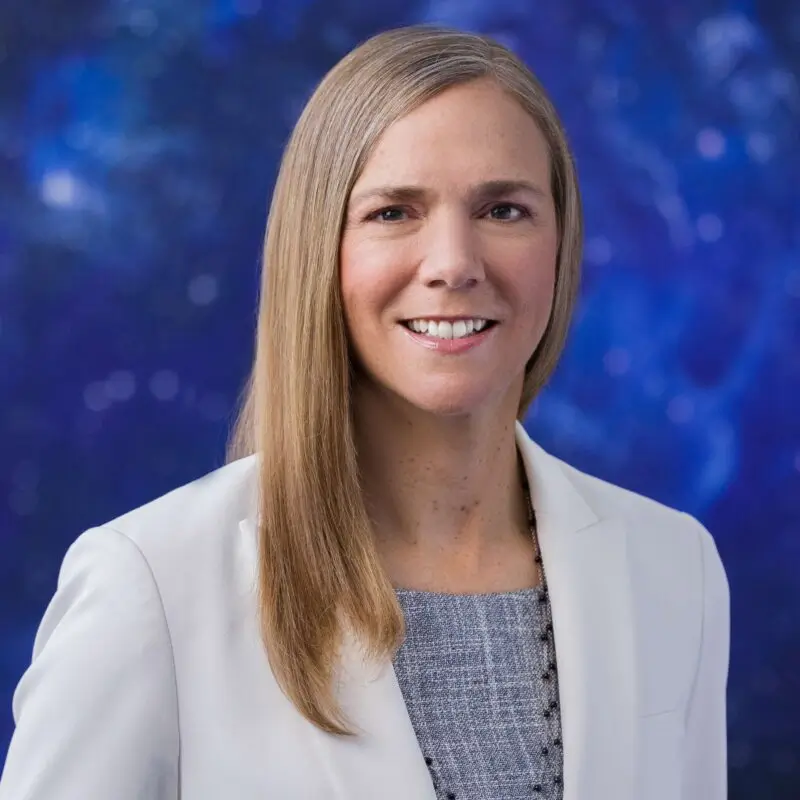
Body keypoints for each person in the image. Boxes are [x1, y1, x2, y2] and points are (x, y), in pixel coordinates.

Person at [0, 25, 729, 800]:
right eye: (393, 212)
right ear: (320, 249)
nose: (453, 263)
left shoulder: (674, 568)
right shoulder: (150, 585)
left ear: (561, 241)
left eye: (504, 210)